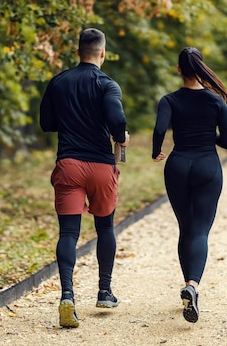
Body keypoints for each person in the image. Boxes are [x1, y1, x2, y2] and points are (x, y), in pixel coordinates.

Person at [39, 28, 129, 328]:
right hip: (101, 167)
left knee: (68, 233)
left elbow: (46, 123)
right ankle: (104, 291)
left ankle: (67, 295)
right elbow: (117, 118)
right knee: (105, 228)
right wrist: (120, 136)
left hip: (69, 163)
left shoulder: (59, 82)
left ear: (78, 52)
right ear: (102, 53)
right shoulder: (107, 84)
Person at [151, 46, 227, 323]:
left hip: (177, 166)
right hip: (207, 167)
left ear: (179, 70)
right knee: (199, 231)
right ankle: (193, 286)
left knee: (185, 228)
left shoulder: (169, 100)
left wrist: (155, 150)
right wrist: (209, 135)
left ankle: (188, 282)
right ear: (201, 67)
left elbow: (161, 128)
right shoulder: (216, 101)